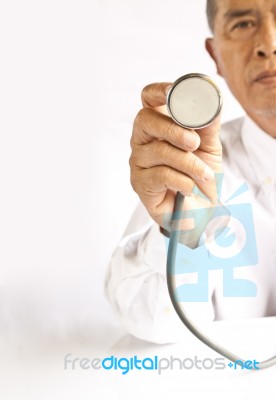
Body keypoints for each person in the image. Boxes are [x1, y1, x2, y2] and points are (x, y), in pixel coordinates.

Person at [105, 0, 276, 344]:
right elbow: (153, 322)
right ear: (216, 57)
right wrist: (185, 232)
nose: (268, 43)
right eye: (243, 24)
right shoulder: (193, 169)